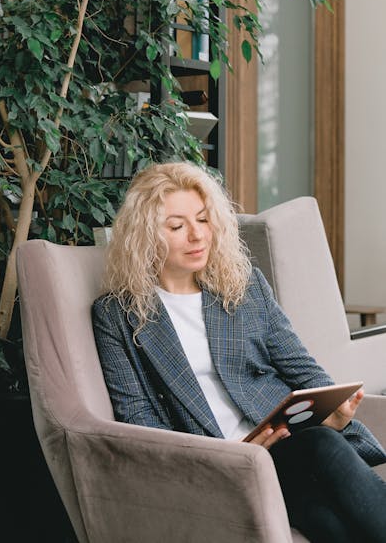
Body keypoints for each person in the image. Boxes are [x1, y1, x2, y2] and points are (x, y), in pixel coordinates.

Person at [92, 161, 386, 543]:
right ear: (146, 236)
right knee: (324, 503)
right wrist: (234, 454)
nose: (197, 235)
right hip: (217, 464)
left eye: (203, 219)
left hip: (287, 446)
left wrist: (335, 412)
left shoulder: (245, 288)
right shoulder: (117, 314)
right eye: (177, 226)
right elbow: (138, 417)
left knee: (325, 473)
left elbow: (302, 369)